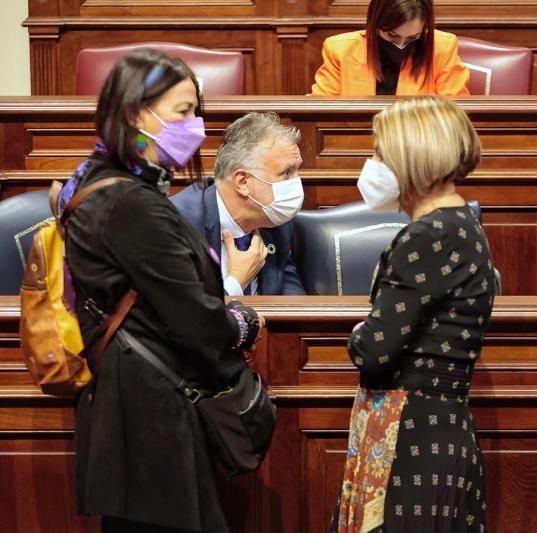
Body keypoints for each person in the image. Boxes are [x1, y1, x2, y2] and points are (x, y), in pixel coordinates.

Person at [62, 48, 262, 532]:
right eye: (182, 112)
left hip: (134, 407)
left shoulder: (99, 182)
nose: (194, 125)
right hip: (151, 418)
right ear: (135, 113)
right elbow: (195, 318)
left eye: (196, 111)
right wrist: (240, 321)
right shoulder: (130, 203)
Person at [330, 96, 493, 532]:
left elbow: (373, 351)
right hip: (437, 431)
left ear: (412, 156)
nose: (371, 165)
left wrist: (359, 332)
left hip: (413, 436)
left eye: (379, 154)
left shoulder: (428, 235)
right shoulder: (461, 223)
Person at [171, 112, 306, 296]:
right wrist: (236, 281)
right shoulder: (178, 225)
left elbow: (291, 295)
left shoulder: (275, 221)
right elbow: (185, 315)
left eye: (297, 170)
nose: (296, 182)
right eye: (287, 172)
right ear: (242, 182)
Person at [310, 0, 469, 96]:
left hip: (421, 146)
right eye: (393, 35)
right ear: (375, 25)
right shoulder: (340, 50)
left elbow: (454, 113)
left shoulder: (442, 47)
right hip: (356, 144)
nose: (401, 45)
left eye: (413, 37)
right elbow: (322, 109)